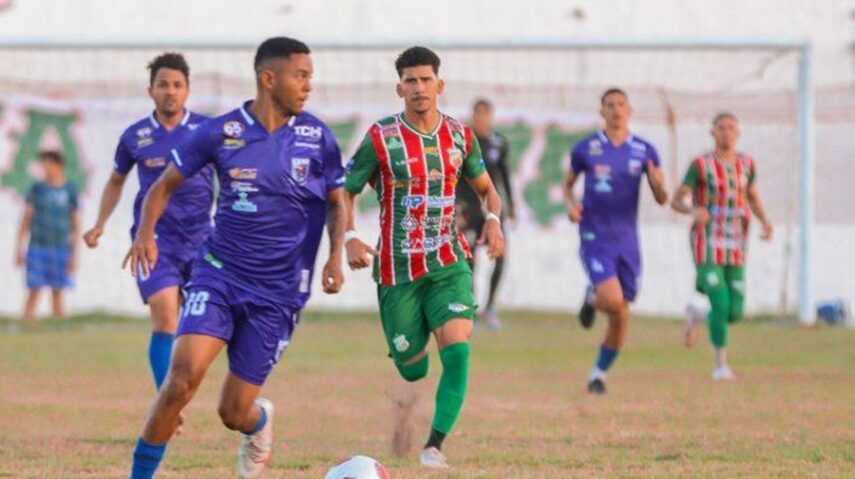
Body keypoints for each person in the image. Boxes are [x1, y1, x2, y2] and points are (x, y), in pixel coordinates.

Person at [123, 37, 346, 479]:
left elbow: (338, 202)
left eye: (310, 77)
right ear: (269, 78)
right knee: (181, 381)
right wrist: (146, 233)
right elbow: (162, 186)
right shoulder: (220, 131)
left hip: (279, 292)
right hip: (219, 275)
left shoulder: (317, 137)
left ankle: (258, 422)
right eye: (301, 76)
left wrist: (336, 255)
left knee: (233, 411)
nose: (308, 86)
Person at [343, 46, 504, 469]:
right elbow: (345, 190)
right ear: (399, 88)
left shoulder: (460, 136)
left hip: (448, 262)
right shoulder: (381, 138)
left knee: (458, 350)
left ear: (440, 84)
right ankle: (411, 356)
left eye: (426, 79)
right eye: (410, 81)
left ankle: (434, 446)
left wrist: (493, 220)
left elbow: (488, 190)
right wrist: (350, 236)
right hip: (397, 272)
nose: (419, 87)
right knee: (412, 369)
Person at [82, 52, 214, 392]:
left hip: (202, 239)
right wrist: (100, 223)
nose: (170, 91)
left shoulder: (206, 130)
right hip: (153, 240)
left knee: (198, 325)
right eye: (163, 84)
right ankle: (166, 400)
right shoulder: (135, 136)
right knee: (165, 315)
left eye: (177, 85)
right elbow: (116, 182)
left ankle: (185, 386)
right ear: (150, 90)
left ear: (187, 90)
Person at [563, 88, 668, 394]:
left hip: (628, 240)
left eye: (621, 104)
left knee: (621, 313)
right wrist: (571, 205)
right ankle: (594, 296)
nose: (616, 109)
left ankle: (598, 374)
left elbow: (662, 198)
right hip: (595, 234)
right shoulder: (586, 148)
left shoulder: (645, 150)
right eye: (610, 105)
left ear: (629, 110)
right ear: (602, 112)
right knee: (611, 300)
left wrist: (659, 186)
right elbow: (568, 185)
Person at [671, 112, 773, 381]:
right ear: (712, 132)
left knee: (734, 312)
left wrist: (765, 221)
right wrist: (692, 210)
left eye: (731, 128)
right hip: (706, 242)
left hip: (735, 243)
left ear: (738, 133)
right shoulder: (701, 165)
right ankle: (720, 365)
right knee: (720, 299)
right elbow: (677, 200)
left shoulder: (747, 164)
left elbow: (751, 195)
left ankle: (698, 313)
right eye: (721, 127)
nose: (726, 132)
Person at [455, 98, 516, 329]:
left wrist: (511, 205)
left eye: (485, 115)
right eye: (477, 114)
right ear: (473, 116)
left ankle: (490, 307)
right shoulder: (464, 143)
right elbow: (456, 177)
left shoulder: (499, 142)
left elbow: (504, 175)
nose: (481, 119)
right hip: (469, 211)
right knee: (470, 261)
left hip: (492, 211)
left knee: (500, 256)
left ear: (491, 117)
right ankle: (471, 308)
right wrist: (457, 207)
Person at [15, 150, 80, 320]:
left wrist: (74, 254)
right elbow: (25, 220)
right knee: (34, 289)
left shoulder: (70, 190)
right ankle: (27, 323)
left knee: (58, 292)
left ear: (58, 166)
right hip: (37, 246)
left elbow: (76, 225)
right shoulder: (36, 189)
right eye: (43, 165)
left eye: (48, 165)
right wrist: (19, 248)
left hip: (61, 247)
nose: (45, 169)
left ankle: (58, 327)